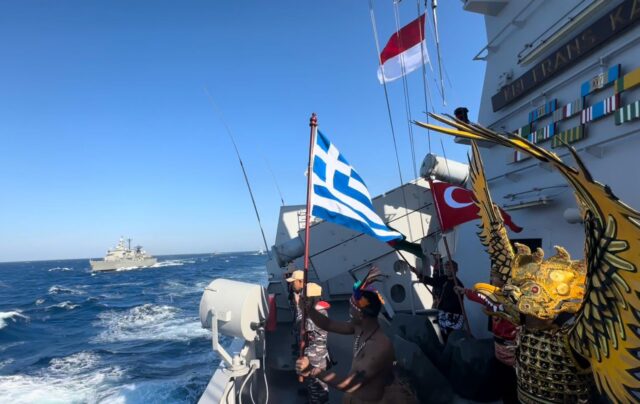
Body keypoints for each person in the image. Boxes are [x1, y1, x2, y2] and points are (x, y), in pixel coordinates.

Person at [295, 267, 417, 404]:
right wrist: (309, 310)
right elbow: (328, 324)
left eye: (351, 309)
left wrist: (312, 370)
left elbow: (350, 385)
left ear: (360, 314)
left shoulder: (378, 347)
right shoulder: (358, 327)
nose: (349, 312)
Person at [420, 254, 465, 341]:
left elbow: (456, 304)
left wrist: (442, 307)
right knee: (443, 336)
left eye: (450, 267)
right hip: (443, 314)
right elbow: (433, 281)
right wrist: (420, 276)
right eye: (446, 267)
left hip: (453, 316)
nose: (447, 269)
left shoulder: (458, 285)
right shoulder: (444, 279)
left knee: (451, 337)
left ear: (456, 270)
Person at [303, 282, 331, 404]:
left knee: (315, 381)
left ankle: (316, 400)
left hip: (315, 353)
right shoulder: (319, 311)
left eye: (306, 298)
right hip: (318, 350)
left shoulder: (316, 314)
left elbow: (305, 329)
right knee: (318, 380)